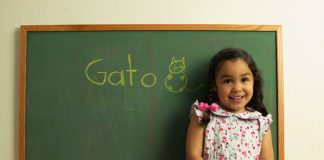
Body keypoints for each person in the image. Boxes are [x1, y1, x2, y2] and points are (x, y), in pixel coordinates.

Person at [186, 48, 274, 160]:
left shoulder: (260, 122)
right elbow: (192, 155)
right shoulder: (203, 115)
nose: (237, 88)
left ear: (254, 81)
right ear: (214, 84)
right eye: (228, 81)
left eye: (244, 79)